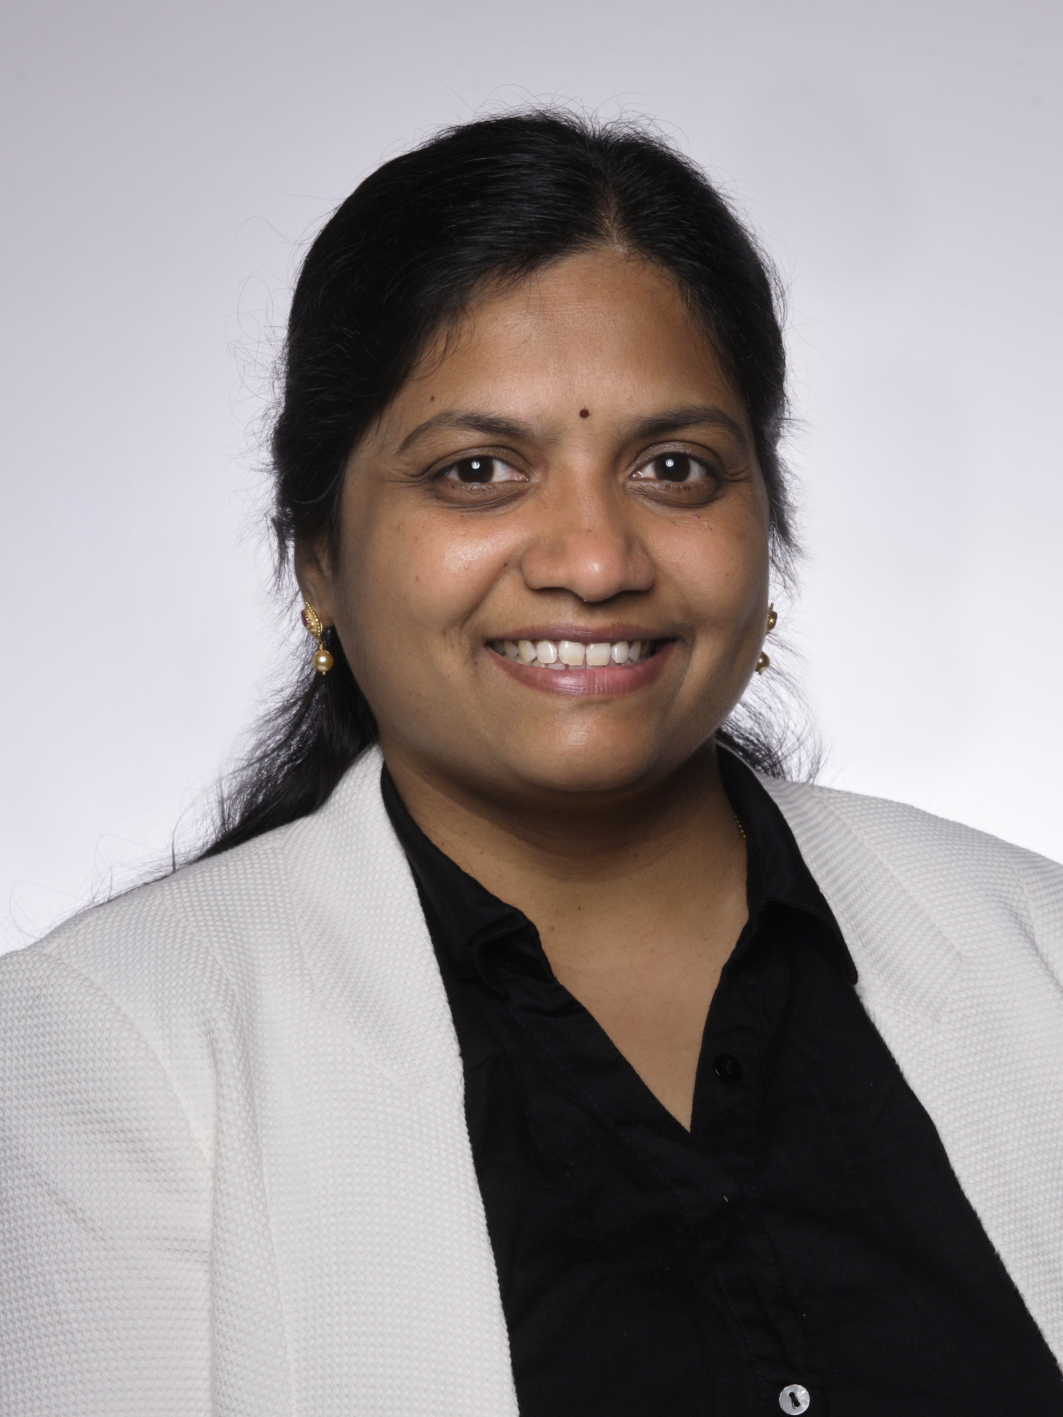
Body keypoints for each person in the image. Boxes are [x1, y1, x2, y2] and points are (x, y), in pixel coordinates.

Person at [2, 110, 1062, 1417]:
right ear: (317, 559)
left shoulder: (1043, 955)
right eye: (479, 470)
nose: (596, 561)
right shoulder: (111, 1050)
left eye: (674, 468)